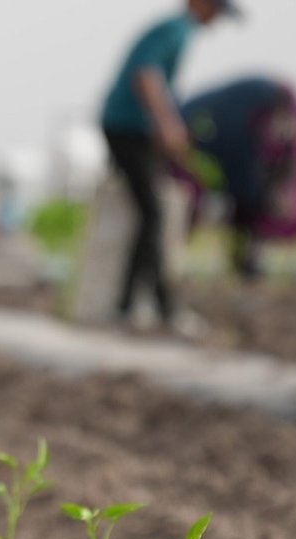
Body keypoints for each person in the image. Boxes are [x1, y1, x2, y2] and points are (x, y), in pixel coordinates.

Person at [100, 0, 240, 331]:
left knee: (149, 214)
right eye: (215, 10)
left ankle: (136, 304)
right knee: (153, 214)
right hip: (127, 128)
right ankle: (147, 306)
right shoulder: (176, 29)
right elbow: (146, 75)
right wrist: (167, 123)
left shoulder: (176, 30)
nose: (216, 20)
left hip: (131, 129)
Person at [179, 76, 296, 280]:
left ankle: (246, 261)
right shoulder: (232, 127)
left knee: (253, 205)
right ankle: (245, 262)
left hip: (248, 163)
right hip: (239, 160)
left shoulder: (267, 133)